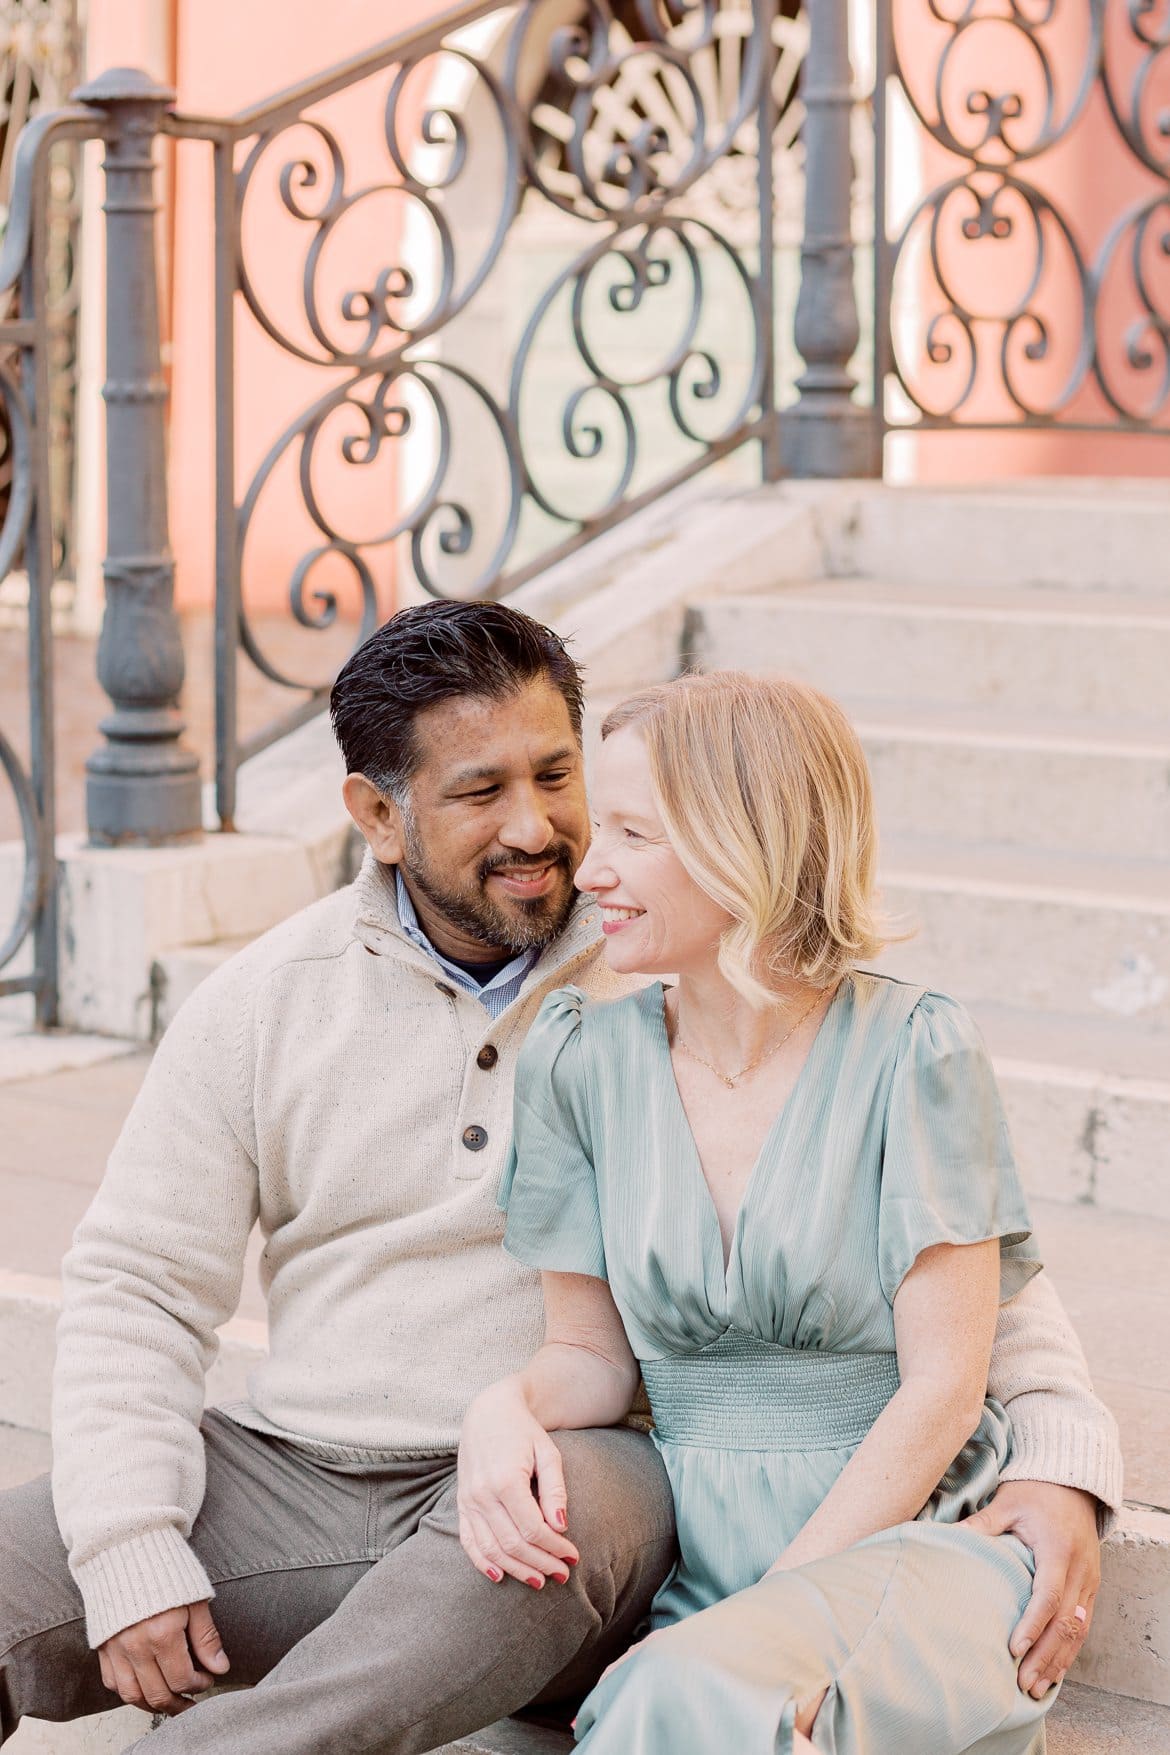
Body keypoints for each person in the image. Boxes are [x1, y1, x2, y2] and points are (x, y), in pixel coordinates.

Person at [0, 606, 1118, 1755]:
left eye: (558, 777)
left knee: (535, 1534)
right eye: (481, 793)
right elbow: (136, 1286)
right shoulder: (272, 1002)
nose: (544, 833)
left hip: (578, 1490)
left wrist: (1067, 1462)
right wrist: (129, 1544)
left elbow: (974, 1279)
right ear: (379, 816)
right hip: (310, 1471)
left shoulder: (669, 943)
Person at [458, 670, 1118, 1755]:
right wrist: (503, 1408)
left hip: (915, 1544)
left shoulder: (914, 1052)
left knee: (687, 1696)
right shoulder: (579, 1061)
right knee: (682, 1697)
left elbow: (946, 1392)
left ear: (742, 844)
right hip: (711, 1568)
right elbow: (592, 1358)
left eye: (636, 833)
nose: (595, 869)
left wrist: (761, 1618)